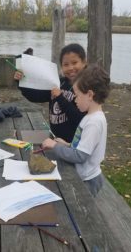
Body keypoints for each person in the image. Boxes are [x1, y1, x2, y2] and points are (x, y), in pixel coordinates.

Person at [42, 65, 110, 197]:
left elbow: (79, 156)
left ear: (90, 95)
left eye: (77, 96)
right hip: (84, 175)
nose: (74, 100)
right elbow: (82, 146)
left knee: (82, 212)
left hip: (88, 180)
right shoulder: (89, 117)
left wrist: (55, 146)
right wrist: (65, 144)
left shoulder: (94, 123)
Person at [14, 43, 87, 142]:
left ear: (84, 63)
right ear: (61, 66)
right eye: (66, 64)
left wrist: (60, 97)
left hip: (70, 144)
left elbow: (80, 119)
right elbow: (36, 97)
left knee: (25, 145)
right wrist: (21, 82)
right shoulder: (59, 82)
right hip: (53, 137)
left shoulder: (86, 88)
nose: (70, 68)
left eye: (74, 63)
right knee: (17, 138)